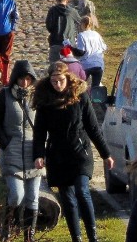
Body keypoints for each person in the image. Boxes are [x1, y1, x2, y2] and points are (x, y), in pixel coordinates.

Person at [32, 61, 113, 242]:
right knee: (67, 198)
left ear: (67, 78)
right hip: (58, 156)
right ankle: (76, 237)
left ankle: (93, 236)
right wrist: (38, 155)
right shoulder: (45, 101)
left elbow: (93, 128)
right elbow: (39, 133)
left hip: (80, 153)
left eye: (60, 80)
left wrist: (105, 154)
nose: (58, 85)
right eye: (54, 81)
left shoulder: (80, 96)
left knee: (82, 191)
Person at [0, 60, 43, 242]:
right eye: (21, 78)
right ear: (15, 79)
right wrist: (4, 143)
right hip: (12, 152)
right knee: (16, 195)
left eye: (28, 79)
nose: (25, 83)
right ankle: (6, 229)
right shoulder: (4, 95)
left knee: (33, 197)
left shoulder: (38, 97)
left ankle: (29, 236)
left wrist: (42, 149)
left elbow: (44, 124)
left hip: (34, 153)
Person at [45, 0, 81, 64]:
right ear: (67, 0)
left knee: (54, 66)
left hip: (55, 41)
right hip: (69, 43)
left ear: (57, 0)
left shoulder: (52, 10)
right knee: (69, 67)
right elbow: (80, 22)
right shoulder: (72, 11)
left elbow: (49, 26)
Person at [72, 15, 107, 87]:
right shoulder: (96, 34)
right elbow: (104, 47)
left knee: (80, 86)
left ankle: (83, 98)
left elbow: (81, 52)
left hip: (87, 64)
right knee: (95, 87)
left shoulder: (81, 35)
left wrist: (70, 48)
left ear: (83, 24)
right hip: (99, 64)